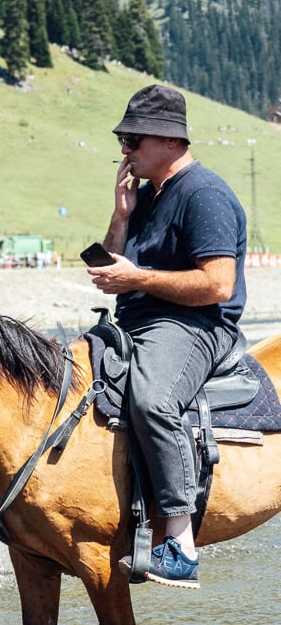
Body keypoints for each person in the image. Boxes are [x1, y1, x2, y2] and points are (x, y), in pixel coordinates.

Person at [87, 84, 247, 589]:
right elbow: (116, 260)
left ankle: (178, 542)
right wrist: (120, 216)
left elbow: (218, 285)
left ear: (169, 140)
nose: (124, 149)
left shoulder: (205, 195)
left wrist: (137, 279)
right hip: (137, 319)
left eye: (133, 138)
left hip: (195, 323)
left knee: (153, 400)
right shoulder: (146, 197)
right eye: (122, 139)